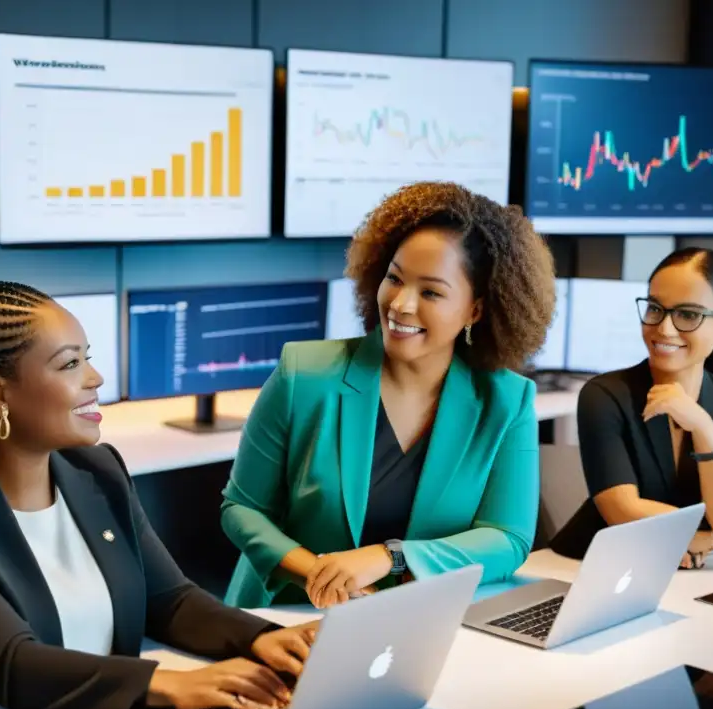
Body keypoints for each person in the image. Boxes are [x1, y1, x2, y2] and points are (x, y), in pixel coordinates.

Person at [0, 282, 315, 709]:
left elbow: (169, 601)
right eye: (69, 364)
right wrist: (170, 684)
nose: (95, 378)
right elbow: (9, 665)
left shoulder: (97, 472)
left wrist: (259, 637)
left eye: (87, 358)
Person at [221, 182, 557, 610]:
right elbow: (242, 509)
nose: (400, 304)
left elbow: (507, 538)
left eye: (431, 292)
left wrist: (390, 557)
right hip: (292, 614)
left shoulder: (507, 401)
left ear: (476, 309)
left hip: (421, 621)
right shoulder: (303, 374)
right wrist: (318, 575)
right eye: (394, 279)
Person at [550, 248, 713, 566]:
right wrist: (705, 537)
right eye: (655, 308)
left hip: (696, 578)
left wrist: (704, 429)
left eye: (688, 315)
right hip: (597, 567)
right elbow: (621, 508)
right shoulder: (605, 395)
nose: (664, 328)